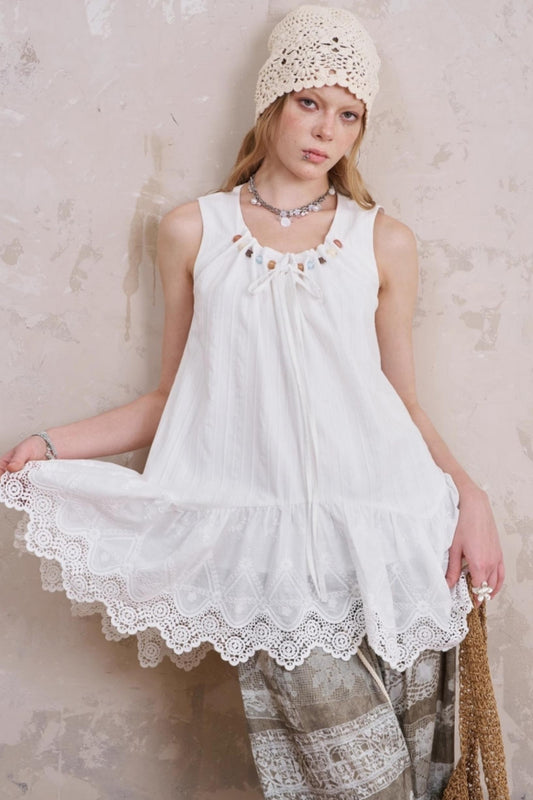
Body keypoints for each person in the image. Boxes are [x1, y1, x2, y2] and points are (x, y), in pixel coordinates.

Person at [0, 5, 504, 798]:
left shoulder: (383, 240)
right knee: (360, 786)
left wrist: (469, 497)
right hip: (269, 562)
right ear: (271, 100)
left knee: (427, 781)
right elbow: (175, 398)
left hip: (398, 540)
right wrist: (52, 445)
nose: (326, 130)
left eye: (348, 114)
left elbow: (401, 401)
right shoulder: (191, 230)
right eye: (309, 102)